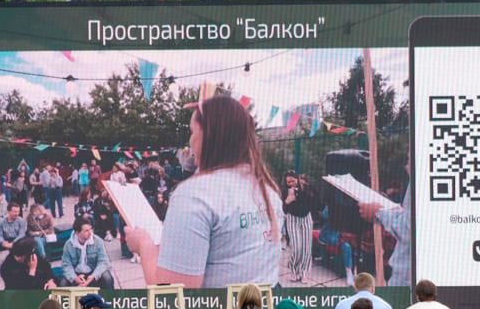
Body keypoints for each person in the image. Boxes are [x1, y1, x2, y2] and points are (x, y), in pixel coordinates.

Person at [126, 95, 284, 288]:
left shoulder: (194, 195)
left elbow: (173, 297)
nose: (190, 141)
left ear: (208, 136)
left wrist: (143, 245)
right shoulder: (268, 190)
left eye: (193, 132)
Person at [358, 156, 411, 287]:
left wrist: (378, 212)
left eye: (409, 160)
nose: (406, 167)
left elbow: (408, 229)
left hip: (407, 279)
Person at [61, 216, 113, 288]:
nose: (90, 233)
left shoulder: (98, 241)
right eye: (86, 231)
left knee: (107, 278)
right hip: (76, 273)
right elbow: (66, 265)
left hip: (93, 272)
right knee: (63, 283)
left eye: (90, 229)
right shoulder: (68, 245)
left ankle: (108, 298)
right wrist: (74, 278)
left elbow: (104, 262)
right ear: (77, 233)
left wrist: (93, 276)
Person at [282, 171, 315, 283]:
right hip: (293, 219)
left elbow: (314, 202)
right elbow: (283, 209)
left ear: (297, 179)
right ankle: (293, 269)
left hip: (306, 218)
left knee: (306, 248)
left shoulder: (306, 188)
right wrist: (288, 200)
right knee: (296, 247)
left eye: (292, 180)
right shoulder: (285, 191)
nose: (290, 183)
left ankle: (304, 272)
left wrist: (300, 194)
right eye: (288, 182)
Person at [0, 203, 26, 279]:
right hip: (5, 241)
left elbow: (21, 235)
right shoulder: (1, 222)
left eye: (18, 211)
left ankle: (21, 268)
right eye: (15, 211)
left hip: (17, 240)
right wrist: (3, 242)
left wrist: (13, 243)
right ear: (9, 211)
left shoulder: (21, 221)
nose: (17, 213)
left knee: (21, 246)